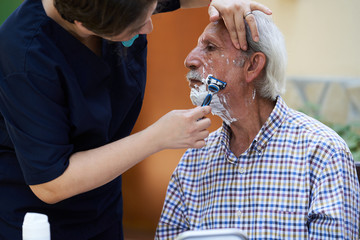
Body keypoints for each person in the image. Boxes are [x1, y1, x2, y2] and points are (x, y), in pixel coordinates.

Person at [0, 0, 273, 239]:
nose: (149, 27)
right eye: (136, 27)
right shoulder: (26, 61)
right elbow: (51, 182)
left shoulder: (311, 149)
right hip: (39, 221)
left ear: (254, 65)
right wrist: (157, 137)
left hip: (104, 207)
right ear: (86, 26)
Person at [156, 11, 360, 239]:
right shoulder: (193, 161)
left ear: (253, 66)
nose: (190, 59)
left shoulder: (324, 153)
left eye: (210, 48)